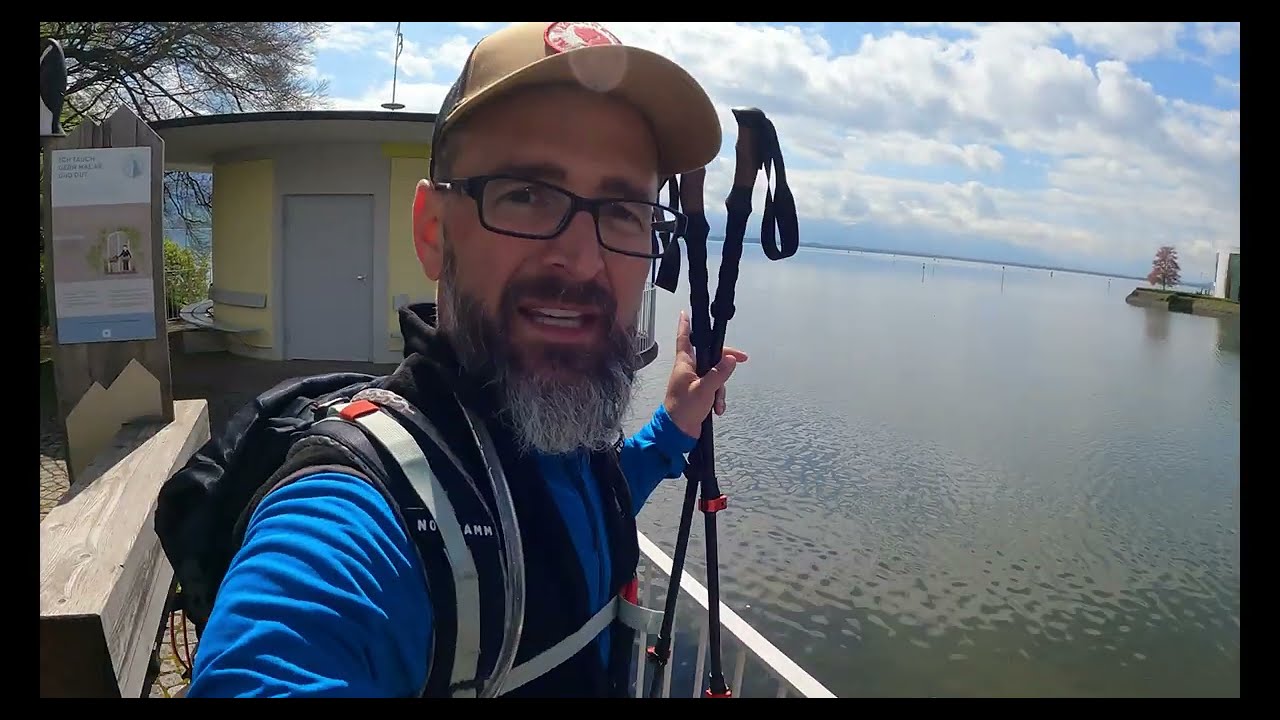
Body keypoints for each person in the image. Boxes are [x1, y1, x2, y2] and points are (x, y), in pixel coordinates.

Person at [185, 21, 744, 698]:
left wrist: (675, 425)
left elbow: (585, 506)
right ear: (433, 232)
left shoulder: (560, 447)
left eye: (623, 210)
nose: (583, 260)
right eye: (526, 195)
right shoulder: (354, 516)